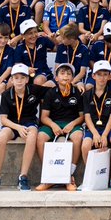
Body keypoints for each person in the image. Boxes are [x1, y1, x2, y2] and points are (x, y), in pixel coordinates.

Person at [0, 63, 43, 190]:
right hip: (12, 125)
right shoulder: (6, 94)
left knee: (32, 135)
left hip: (29, 123)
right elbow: (3, 119)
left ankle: (23, 177)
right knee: (2, 136)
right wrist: (18, 127)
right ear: (11, 80)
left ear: (27, 79)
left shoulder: (34, 90)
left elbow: (53, 89)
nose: (19, 81)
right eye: (16, 77)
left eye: (22, 77)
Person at [35, 62, 85, 191]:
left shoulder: (77, 92)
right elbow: (44, 117)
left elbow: (82, 116)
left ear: (73, 78)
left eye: (69, 74)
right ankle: (49, 174)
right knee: (40, 137)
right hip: (53, 123)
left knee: (78, 136)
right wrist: (53, 125)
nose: (66, 76)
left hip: (72, 123)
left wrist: (72, 124)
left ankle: (69, 174)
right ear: (56, 78)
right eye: (62, 73)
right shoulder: (50, 93)